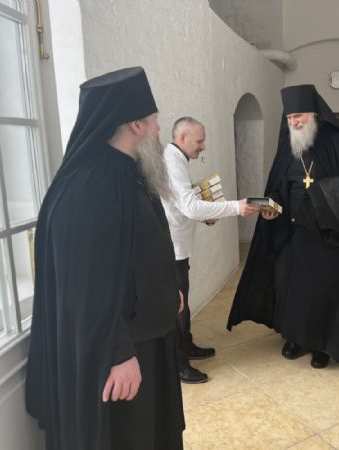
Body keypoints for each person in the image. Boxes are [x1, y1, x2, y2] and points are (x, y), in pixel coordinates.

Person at [25, 67, 186, 450]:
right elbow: (83, 282)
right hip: (121, 351)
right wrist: (118, 353)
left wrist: (170, 291)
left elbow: (143, 248)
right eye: (153, 120)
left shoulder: (129, 171)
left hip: (151, 335)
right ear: (135, 124)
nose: (158, 128)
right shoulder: (90, 184)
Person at [227, 84, 339, 369]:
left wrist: (326, 202)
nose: (294, 122)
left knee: (323, 290)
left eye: (299, 116)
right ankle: (294, 337)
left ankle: (322, 346)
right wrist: (273, 207)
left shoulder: (334, 142)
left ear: (314, 114)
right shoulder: (288, 145)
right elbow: (279, 187)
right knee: (292, 287)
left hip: (328, 236)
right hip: (293, 233)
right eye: (290, 117)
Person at [161, 116, 259, 383]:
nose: (203, 146)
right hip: (171, 248)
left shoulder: (178, 159)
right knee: (177, 307)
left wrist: (206, 215)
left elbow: (182, 204)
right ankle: (180, 364)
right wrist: (236, 207)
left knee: (183, 301)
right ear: (183, 138)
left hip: (179, 245)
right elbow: (190, 207)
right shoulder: (172, 161)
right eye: (200, 141)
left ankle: (187, 345)